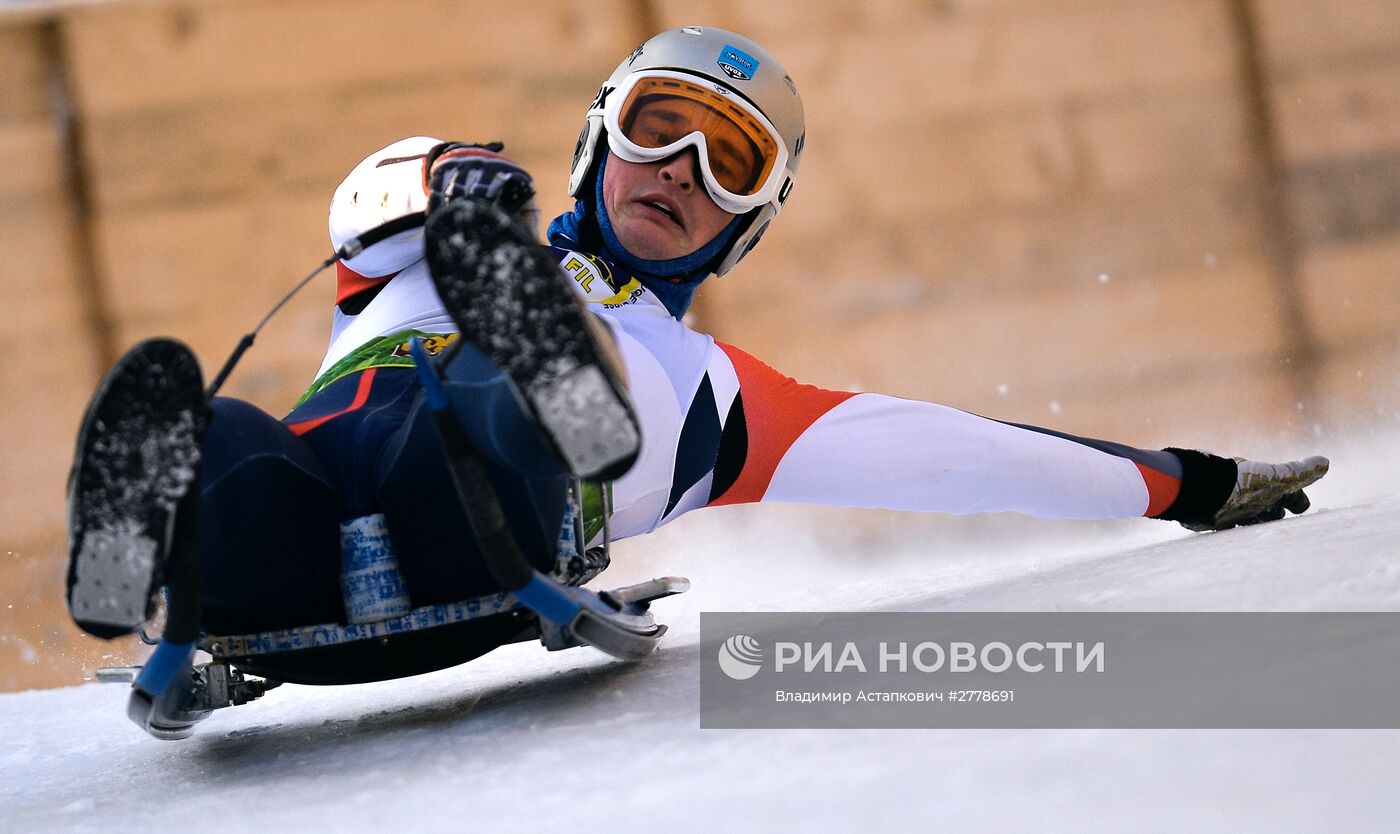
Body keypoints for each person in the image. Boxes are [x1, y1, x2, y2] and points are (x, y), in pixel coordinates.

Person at [66, 27, 1327, 688]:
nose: (681, 172)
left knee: (494, 403)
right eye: (656, 132)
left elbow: (959, 453)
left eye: (728, 165)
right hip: (282, 548)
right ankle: (139, 557)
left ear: (748, 224)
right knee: (196, 414)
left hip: (486, 521)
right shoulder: (408, 251)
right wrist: (452, 182)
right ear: (591, 147)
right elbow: (360, 200)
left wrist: (1182, 481)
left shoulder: (729, 404)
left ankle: (554, 382)